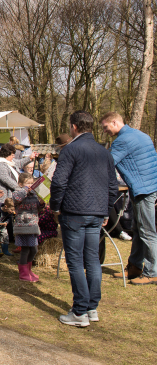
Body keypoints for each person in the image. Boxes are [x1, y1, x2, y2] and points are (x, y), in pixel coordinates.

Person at [51, 111, 118, 327]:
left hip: (75, 212)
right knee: (92, 260)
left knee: (76, 262)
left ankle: (81, 310)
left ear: (73, 127)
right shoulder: (104, 152)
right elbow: (112, 186)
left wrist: (55, 207)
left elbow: (59, 182)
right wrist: (106, 210)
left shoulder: (71, 149)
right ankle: (91, 308)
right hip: (95, 212)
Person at [100, 111, 157, 285]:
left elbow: (106, 162)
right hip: (148, 186)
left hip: (143, 189)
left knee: (147, 231)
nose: (104, 131)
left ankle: (152, 272)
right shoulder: (140, 135)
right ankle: (135, 266)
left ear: (115, 122)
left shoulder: (123, 141)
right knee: (138, 229)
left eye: (106, 127)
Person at [12, 172, 44, 282]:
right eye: (27, 183)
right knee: (25, 249)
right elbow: (16, 199)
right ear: (20, 184)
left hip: (33, 225)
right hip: (23, 225)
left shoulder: (34, 194)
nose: (30, 185)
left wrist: (42, 203)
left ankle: (28, 270)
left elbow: (37, 209)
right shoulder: (18, 192)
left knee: (34, 249)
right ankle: (23, 273)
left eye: (31, 183)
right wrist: (26, 190)